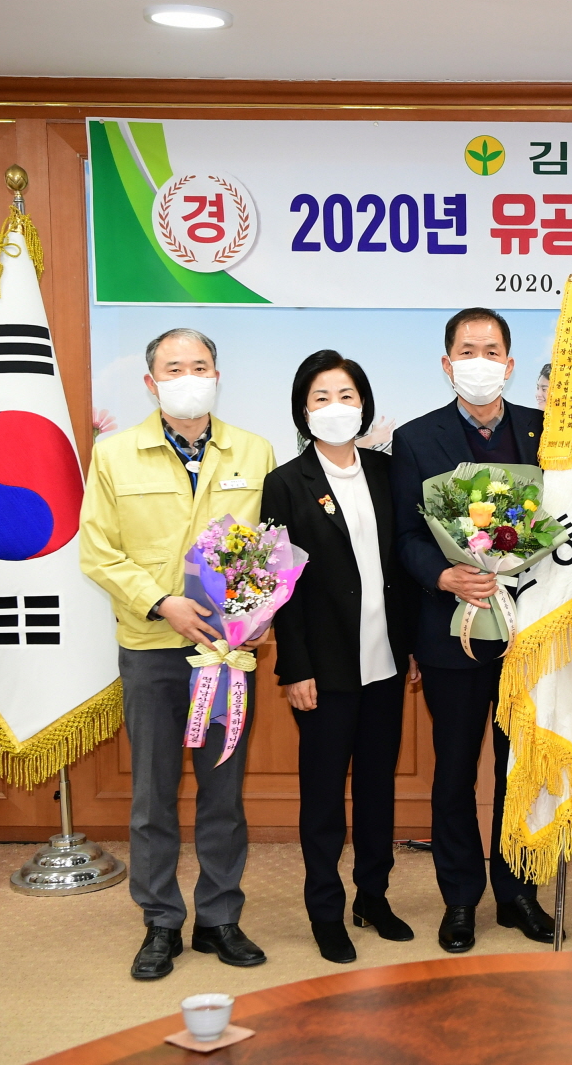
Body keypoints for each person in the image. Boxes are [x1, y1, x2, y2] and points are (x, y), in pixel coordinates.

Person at [79, 328, 276, 980]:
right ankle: (160, 921)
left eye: (200, 366)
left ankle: (219, 918)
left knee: (223, 793)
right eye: (174, 368)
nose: (189, 377)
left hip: (225, 654)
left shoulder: (254, 451)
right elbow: (98, 552)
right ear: (150, 382)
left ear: (217, 375)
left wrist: (256, 614)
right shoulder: (113, 455)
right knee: (153, 796)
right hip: (152, 650)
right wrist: (163, 602)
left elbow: (268, 548)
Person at [389, 307, 556, 952]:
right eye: (467, 350)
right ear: (447, 362)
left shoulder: (546, 433)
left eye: (491, 351)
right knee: (455, 769)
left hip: (529, 632)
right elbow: (406, 535)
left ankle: (518, 893)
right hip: (450, 630)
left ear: (509, 364)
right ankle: (460, 898)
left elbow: (565, 522)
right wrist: (444, 575)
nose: (479, 362)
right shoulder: (416, 438)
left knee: (521, 767)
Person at [260, 350, 418, 964]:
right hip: (323, 670)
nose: (336, 407)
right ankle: (325, 910)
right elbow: (281, 585)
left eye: (346, 395)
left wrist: (411, 648)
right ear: (303, 410)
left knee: (378, 789)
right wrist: (294, 666)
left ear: (364, 405)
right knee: (325, 797)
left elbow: (402, 567)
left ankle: (372, 897)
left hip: (386, 662)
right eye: (321, 397)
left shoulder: (386, 471)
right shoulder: (285, 482)